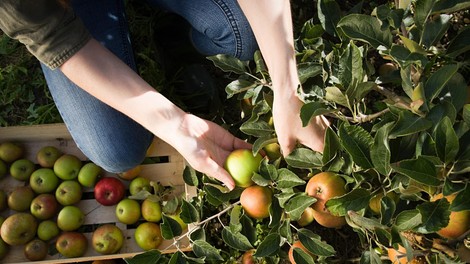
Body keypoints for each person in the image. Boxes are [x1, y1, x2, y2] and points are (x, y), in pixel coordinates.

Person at [0, 0, 329, 190]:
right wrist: (175, 125)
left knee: (241, 36)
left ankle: (175, 41)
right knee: (117, 150)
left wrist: (288, 90)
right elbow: (56, 38)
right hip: (67, 8)